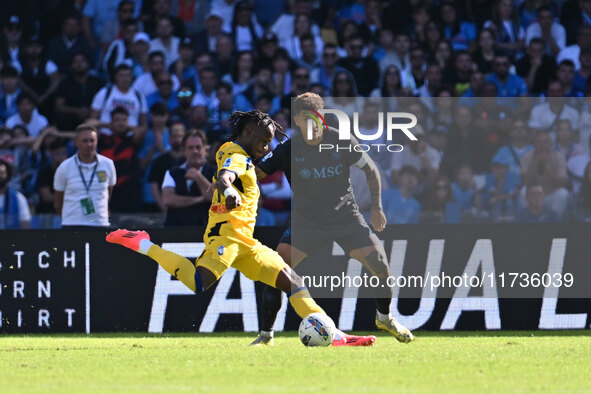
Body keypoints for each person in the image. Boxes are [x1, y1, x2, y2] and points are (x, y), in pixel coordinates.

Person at [106, 110, 370, 347]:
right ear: (248, 132)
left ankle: (335, 335)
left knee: (292, 281)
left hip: (246, 241)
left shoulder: (238, 153)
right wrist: (229, 188)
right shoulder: (236, 155)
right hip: (226, 237)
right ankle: (143, 243)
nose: (266, 148)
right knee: (199, 283)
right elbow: (225, 176)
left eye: (269, 143)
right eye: (264, 141)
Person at [251, 93, 414, 346]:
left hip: (345, 217)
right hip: (307, 222)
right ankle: (265, 336)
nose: (311, 125)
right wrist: (233, 172)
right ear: (296, 120)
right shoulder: (289, 149)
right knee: (277, 270)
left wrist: (377, 208)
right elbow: (257, 173)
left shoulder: (340, 139)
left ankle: (384, 318)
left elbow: (371, 170)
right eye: (304, 120)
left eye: (315, 119)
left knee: (380, 265)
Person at [54, 124, 116, 228]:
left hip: (100, 223)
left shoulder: (108, 164)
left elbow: (109, 193)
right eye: (85, 141)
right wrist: (67, 217)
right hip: (72, 224)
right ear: (76, 143)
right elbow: (58, 202)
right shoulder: (65, 167)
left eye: (92, 140)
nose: (89, 144)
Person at [162, 129, 215, 226]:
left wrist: (198, 177)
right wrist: (200, 199)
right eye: (190, 148)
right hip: (175, 232)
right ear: (183, 151)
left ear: (206, 150)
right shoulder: (171, 173)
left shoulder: (217, 172)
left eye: (198, 147)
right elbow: (168, 199)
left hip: (208, 232)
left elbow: (215, 197)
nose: (194, 151)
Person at [0, 159, 31, 229]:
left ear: (8, 175)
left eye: (2, 173)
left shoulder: (19, 198)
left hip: (11, 239)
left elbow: (25, 227)